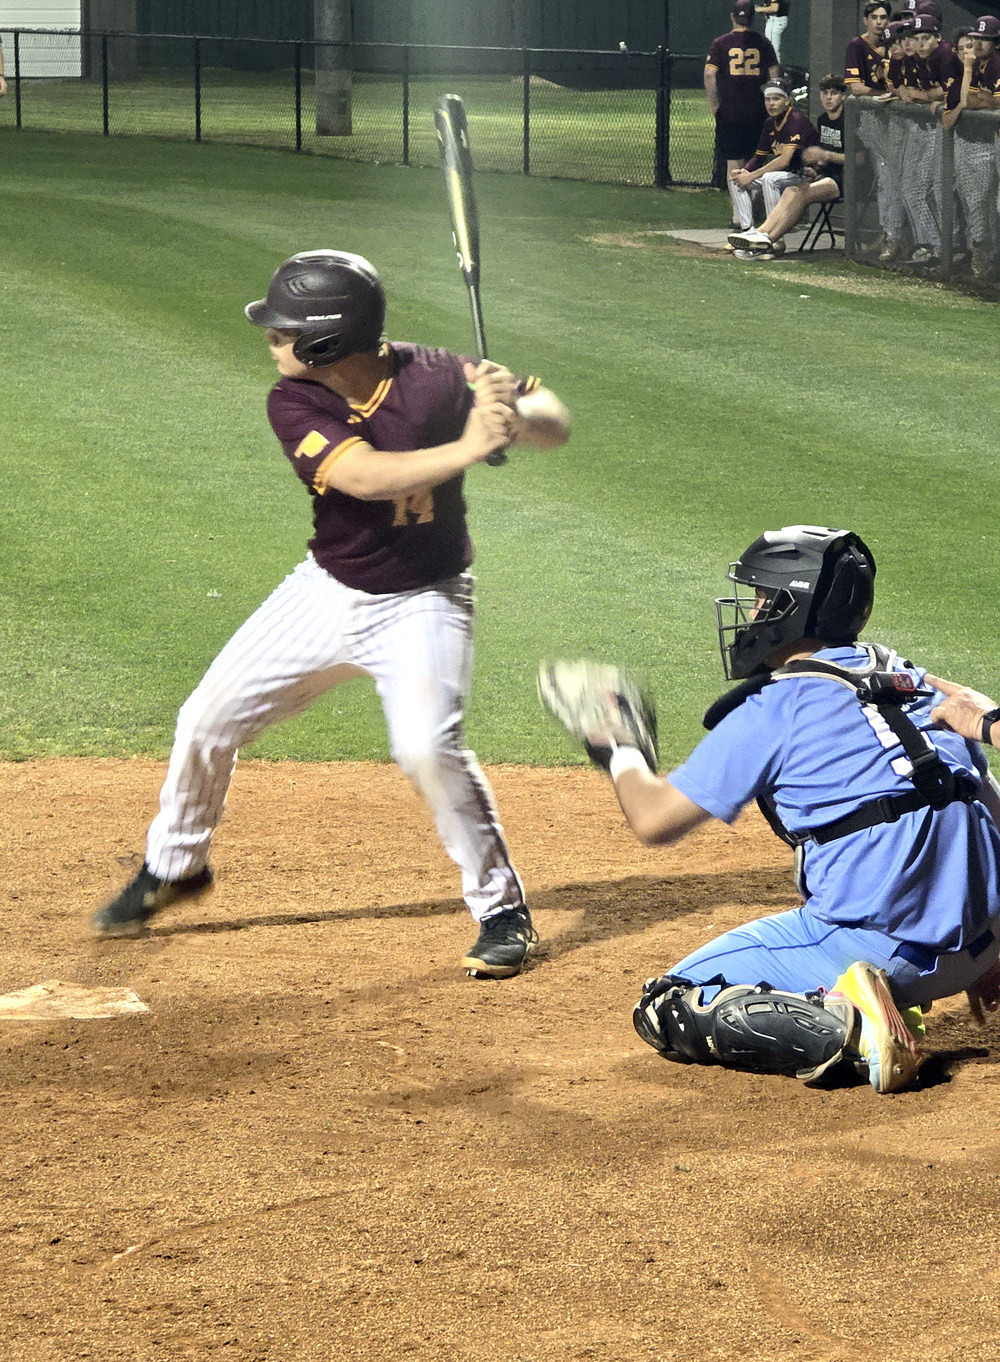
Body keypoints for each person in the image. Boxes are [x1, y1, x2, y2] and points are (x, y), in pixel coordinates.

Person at [91, 249, 570, 980]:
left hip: (426, 601)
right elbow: (363, 476)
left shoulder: (437, 372)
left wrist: (516, 415)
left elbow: (553, 421)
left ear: (325, 339)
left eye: (283, 330)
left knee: (426, 748)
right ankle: (175, 866)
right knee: (205, 721)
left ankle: (501, 910)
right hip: (326, 592)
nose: (270, 339)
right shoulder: (295, 401)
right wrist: (471, 445)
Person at [553, 526, 1000, 1093]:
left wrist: (620, 747)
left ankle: (855, 1024)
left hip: (890, 953)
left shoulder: (776, 707)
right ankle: (879, 990)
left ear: (793, 608)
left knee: (669, 1004)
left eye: (762, 598)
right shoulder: (916, 681)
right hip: (986, 944)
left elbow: (653, 818)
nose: (751, 613)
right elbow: (983, 800)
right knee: (938, 792)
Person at [728, 75, 845, 258]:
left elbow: (857, 159)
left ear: (843, 96)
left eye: (834, 93)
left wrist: (826, 156)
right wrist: (816, 167)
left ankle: (768, 240)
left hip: (843, 180)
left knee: (789, 188)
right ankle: (754, 234)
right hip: (819, 175)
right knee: (789, 191)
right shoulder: (823, 120)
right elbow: (759, 157)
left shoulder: (847, 120)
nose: (829, 98)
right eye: (825, 93)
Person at [704, 0, 780, 229]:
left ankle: (739, 216)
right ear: (752, 19)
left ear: (732, 17)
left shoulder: (721, 43)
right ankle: (757, 213)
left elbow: (709, 75)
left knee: (734, 164)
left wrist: (715, 106)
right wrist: (773, 105)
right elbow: (774, 76)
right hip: (758, 113)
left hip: (730, 113)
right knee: (756, 162)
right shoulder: (763, 43)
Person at [727, 81, 819, 248]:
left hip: (806, 174)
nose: (771, 103)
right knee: (735, 179)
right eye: (767, 99)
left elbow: (785, 160)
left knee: (770, 179)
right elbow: (759, 157)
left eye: (776, 99)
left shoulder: (796, 120)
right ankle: (748, 231)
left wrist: (752, 176)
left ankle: (774, 237)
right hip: (786, 174)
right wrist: (744, 172)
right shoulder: (770, 123)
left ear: (787, 101)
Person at [755, 0, 790, 68]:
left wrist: (759, 9)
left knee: (772, 50)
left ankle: (775, 73)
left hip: (776, 20)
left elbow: (774, 8)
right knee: (772, 50)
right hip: (778, 19)